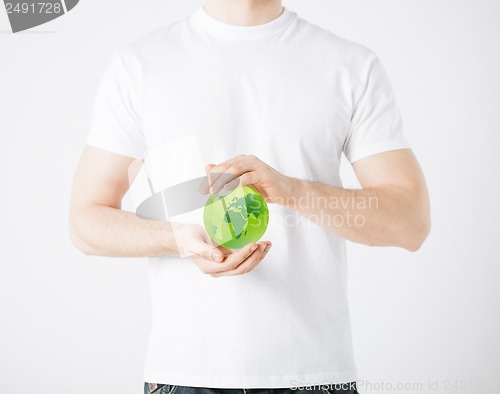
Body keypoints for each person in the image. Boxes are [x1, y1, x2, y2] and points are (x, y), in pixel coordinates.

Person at [69, 1, 431, 394]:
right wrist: (177, 239)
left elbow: (410, 222)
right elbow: (85, 222)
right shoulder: (140, 65)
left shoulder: (350, 65)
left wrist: (294, 191)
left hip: (313, 374)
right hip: (183, 374)